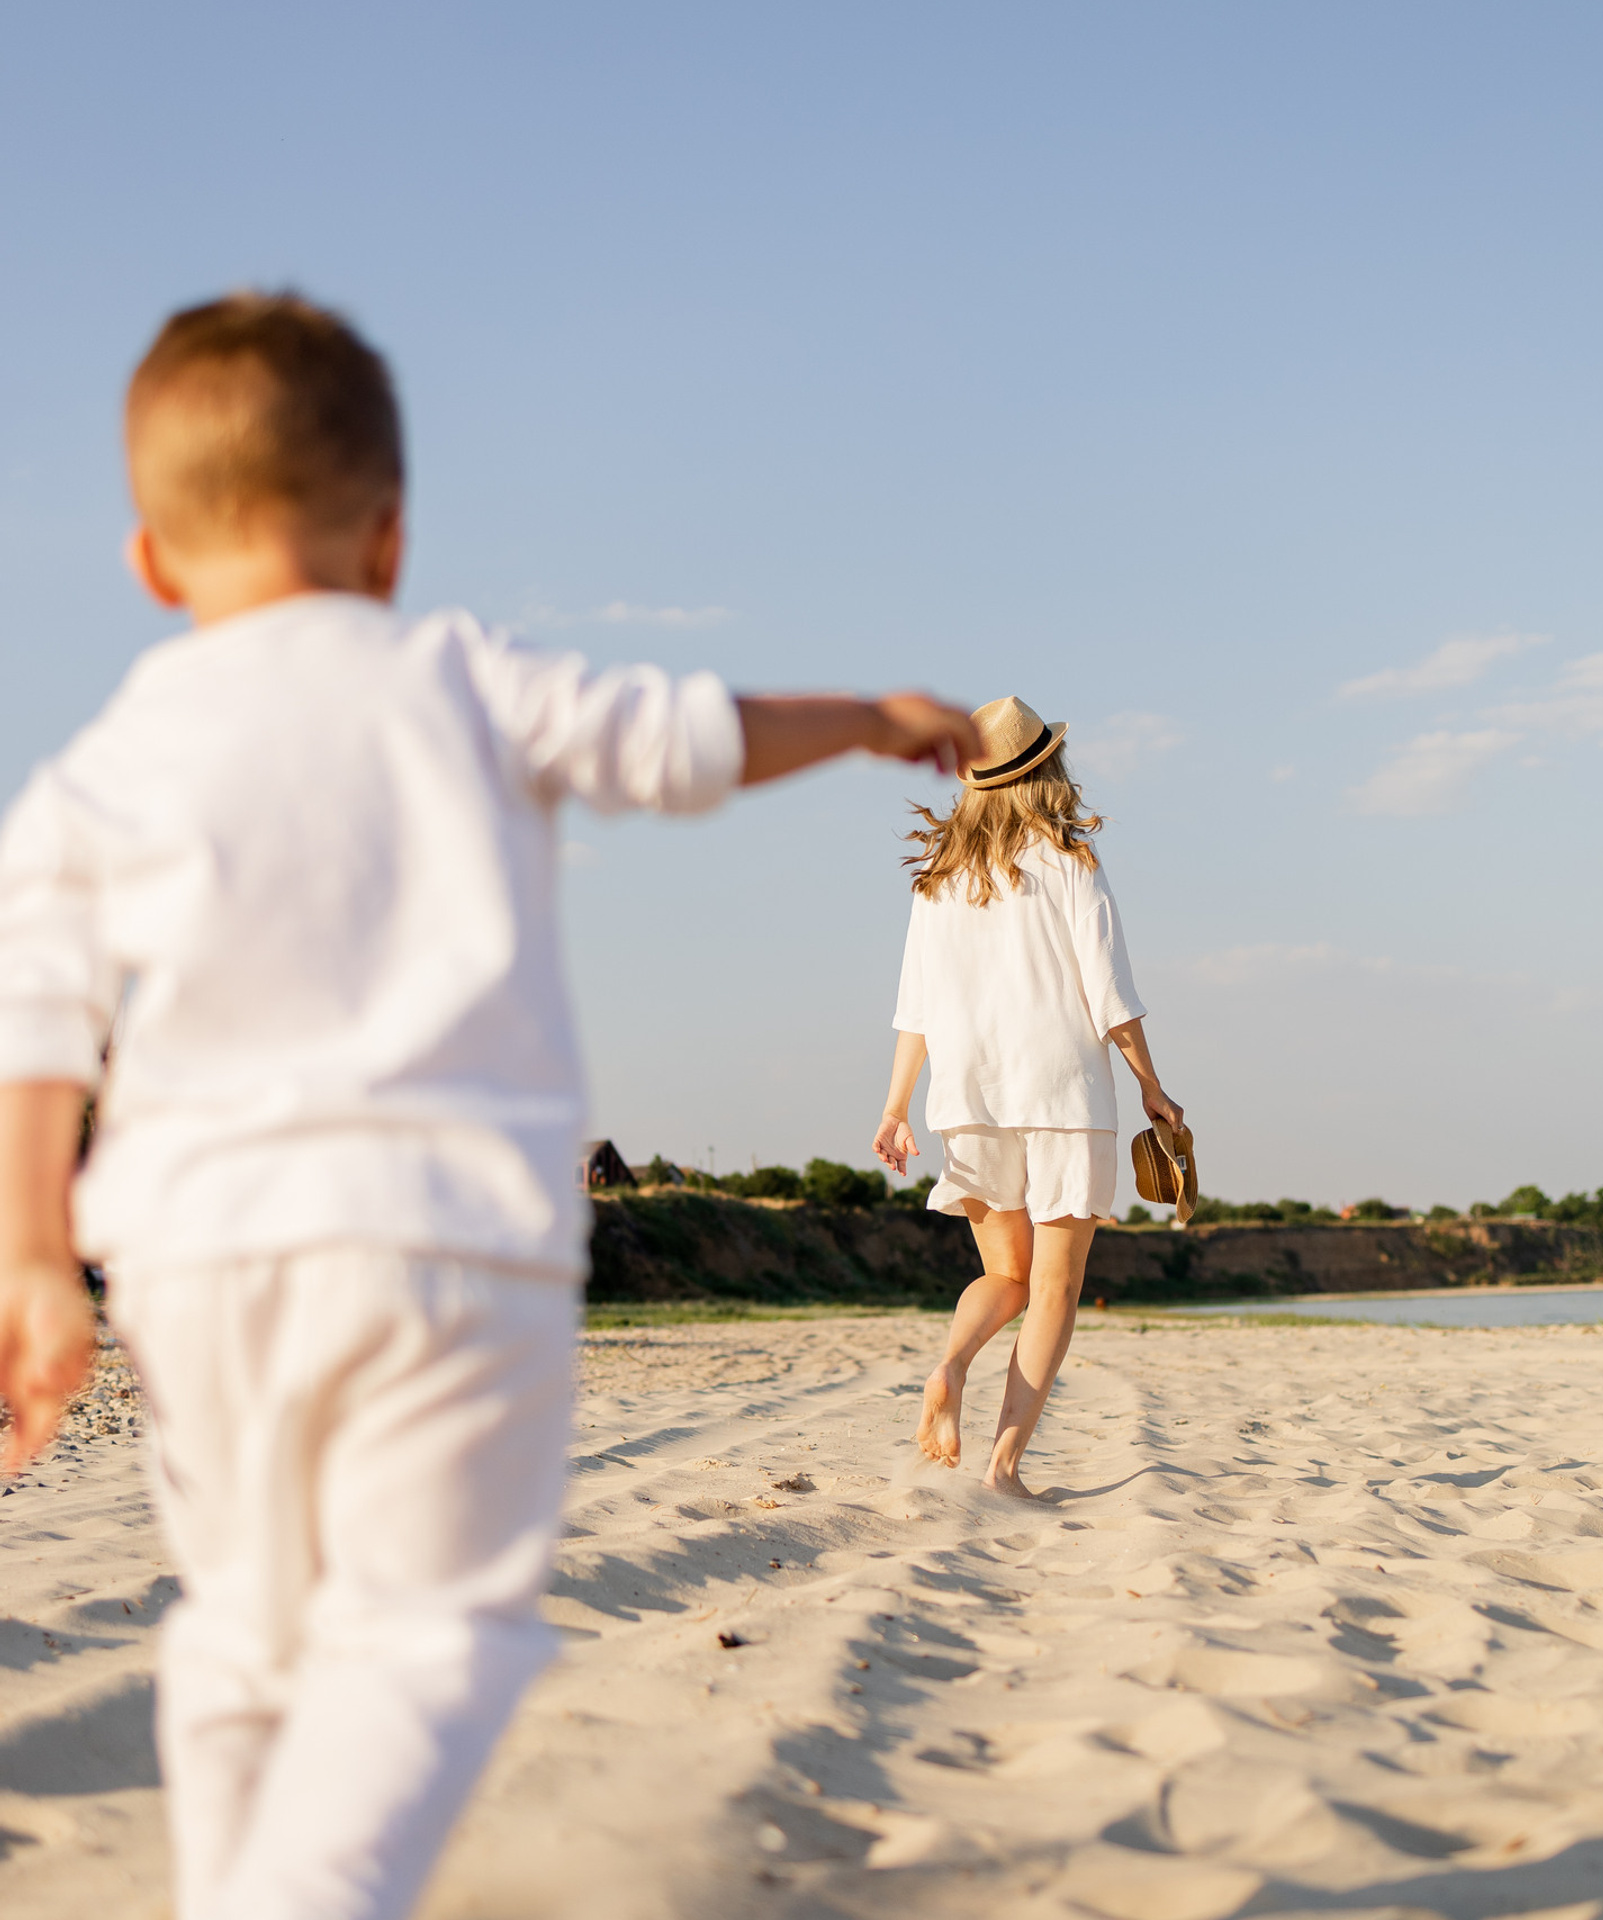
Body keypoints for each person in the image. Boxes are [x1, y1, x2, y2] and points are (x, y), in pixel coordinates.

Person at [0, 290, 979, 1920]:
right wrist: (871, 719)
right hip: (454, 1251)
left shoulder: (101, 767)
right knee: (433, 1632)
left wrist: (36, 1256)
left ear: (153, 566)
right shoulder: (458, 676)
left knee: (244, 1623)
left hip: (204, 1261)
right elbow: (685, 741)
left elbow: (37, 1020)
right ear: (390, 538)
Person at [871, 696, 1182, 1497]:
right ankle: (1003, 1470)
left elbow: (916, 1009)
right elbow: (1110, 994)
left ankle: (948, 1367)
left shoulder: (937, 882)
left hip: (967, 1095)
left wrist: (896, 1107)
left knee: (1004, 1276)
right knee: (1052, 1289)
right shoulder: (1071, 861)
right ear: (1047, 771)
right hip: (1064, 1092)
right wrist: (1152, 1086)